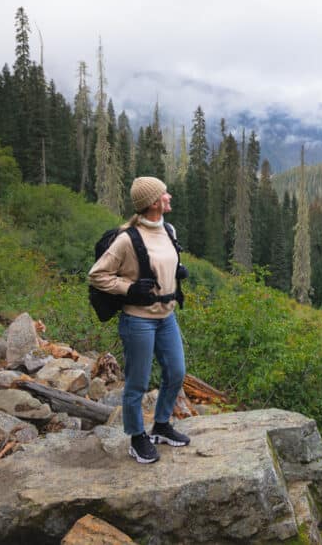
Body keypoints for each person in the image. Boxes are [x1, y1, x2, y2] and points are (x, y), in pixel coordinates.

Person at [88, 176, 190, 463]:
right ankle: (137, 437)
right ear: (154, 203)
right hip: (138, 321)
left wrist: (177, 271)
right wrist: (129, 289)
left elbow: (163, 260)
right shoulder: (126, 239)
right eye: (164, 194)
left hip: (167, 317)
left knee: (176, 372)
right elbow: (97, 275)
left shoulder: (168, 229)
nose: (169, 196)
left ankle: (161, 425)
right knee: (137, 383)